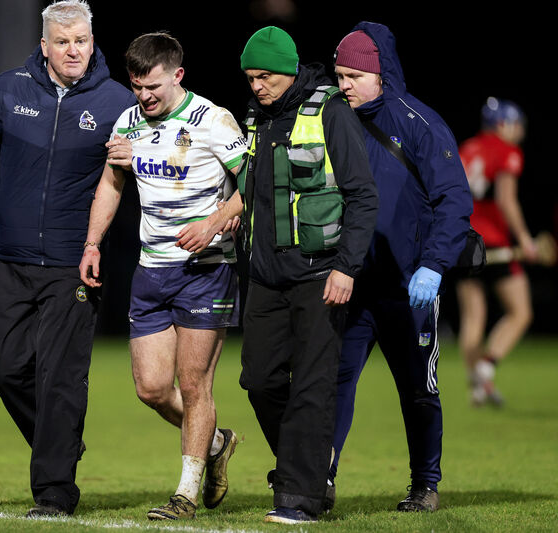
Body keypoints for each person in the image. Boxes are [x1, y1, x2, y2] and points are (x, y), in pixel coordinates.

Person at [0, 0, 135, 518]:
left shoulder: (118, 102)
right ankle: (60, 444)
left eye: (81, 41)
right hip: (11, 259)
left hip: (73, 264)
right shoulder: (6, 89)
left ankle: (55, 493)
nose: (73, 51)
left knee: (60, 378)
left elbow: (157, 163)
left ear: (93, 42)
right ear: (43, 45)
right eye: (62, 41)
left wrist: (142, 157)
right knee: (3, 368)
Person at [79, 32, 245, 521]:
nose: (144, 96)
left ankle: (186, 495)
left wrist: (215, 221)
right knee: (151, 388)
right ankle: (216, 442)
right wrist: (92, 244)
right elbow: (111, 185)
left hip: (206, 269)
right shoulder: (129, 121)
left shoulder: (213, 119)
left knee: (195, 386)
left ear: (178, 75)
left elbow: (252, 182)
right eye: (136, 86)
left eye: (152, 86)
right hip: (151, 269)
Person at [234, 26, 378, 525]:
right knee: (259, 380)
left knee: (313, 386)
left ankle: (300, 498)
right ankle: (310, 468)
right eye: (251, 77)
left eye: (265, 76)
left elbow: (363, 196)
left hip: (321, 275)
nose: (256, 86)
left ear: (289, 69)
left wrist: (346, 268)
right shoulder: (257, 116)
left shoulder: (330, 111)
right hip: (266, 278)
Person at [329, 22, 473, 513]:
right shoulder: (333, 119)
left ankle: (424, 486)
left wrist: (433, 266)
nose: (343, 85)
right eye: (338, 75)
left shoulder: (421, 124)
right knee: (333, 386)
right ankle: (319, 480)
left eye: (352, 76)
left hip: (409, 286)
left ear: (380, 76)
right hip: (351, 283)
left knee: (418, 390)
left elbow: (454, 200)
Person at [456, 98, 536, 407]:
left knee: (473, 318)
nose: (520, 132)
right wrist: (525, 240)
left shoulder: (467, 148)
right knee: (521, 311)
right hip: (495, 243)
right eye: (517, 125)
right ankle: (487, 367)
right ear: (503, 124)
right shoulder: (508, 151)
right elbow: (506, 200)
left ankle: (476, 388)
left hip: (464, 242)